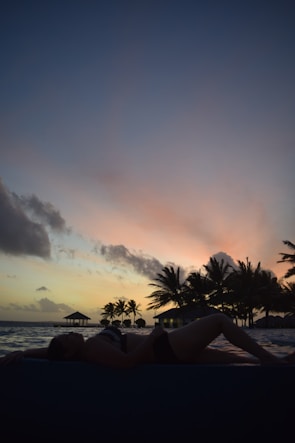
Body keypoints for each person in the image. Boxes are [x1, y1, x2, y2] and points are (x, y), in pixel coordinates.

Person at [0, 313, 294, 367]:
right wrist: (153, 337)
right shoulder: (91, 348)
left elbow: (51, 352)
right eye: (66, 335)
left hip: (169, 350)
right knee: (218, 320)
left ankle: (280, 362)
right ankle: (269, 359)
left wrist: (24, 351)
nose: (70, 332)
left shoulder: (81, 348)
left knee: (233, 359)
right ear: (69, 350)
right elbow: (127, 363)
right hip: (166, 347)